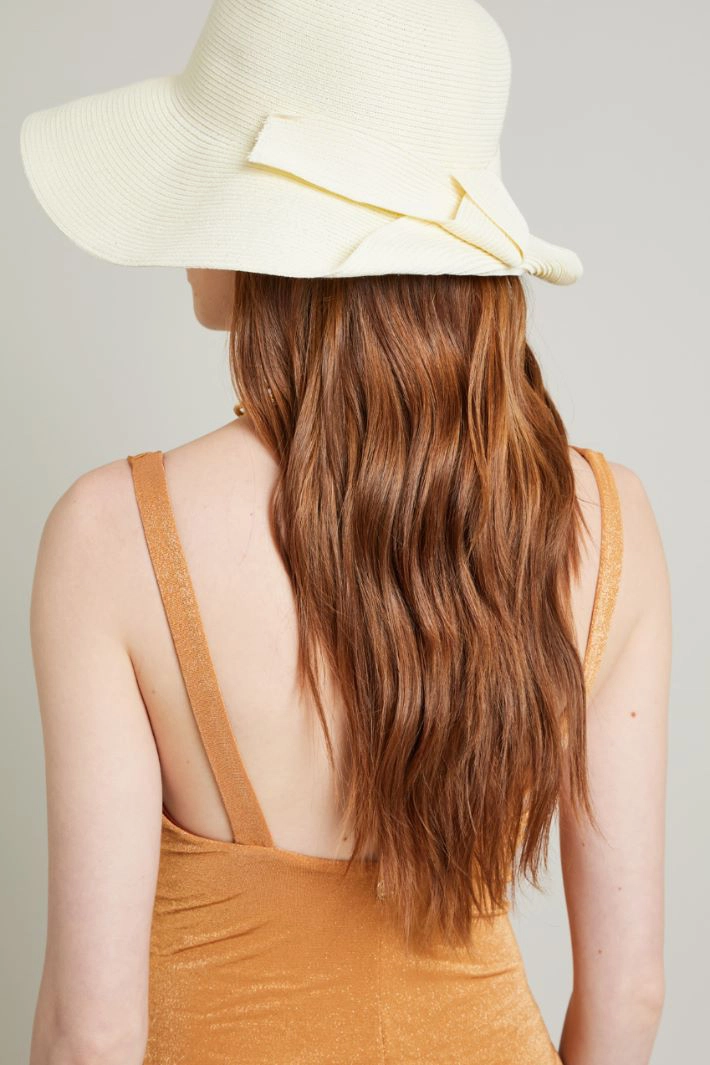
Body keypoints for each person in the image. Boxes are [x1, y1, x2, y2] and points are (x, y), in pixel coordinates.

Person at [21, 2, 670, 1063]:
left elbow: (90, 1031)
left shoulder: (111, 535)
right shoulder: (610, 520)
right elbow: (631, 994)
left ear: (276, 233)